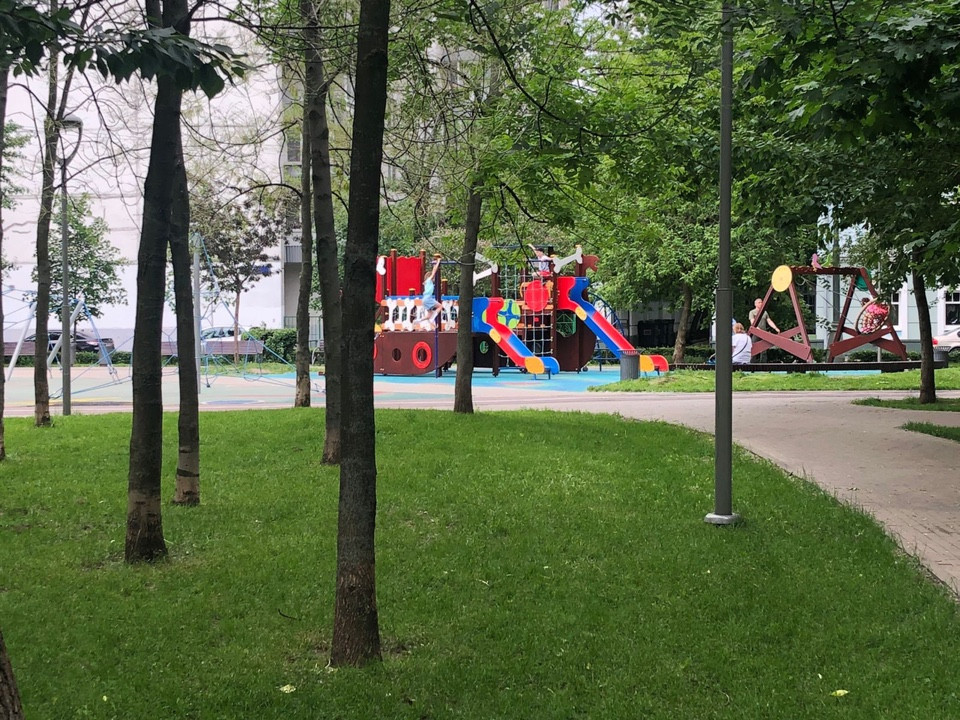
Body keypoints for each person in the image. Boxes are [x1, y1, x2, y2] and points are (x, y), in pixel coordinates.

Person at [419, 258, 443, 329]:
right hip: (428, 298)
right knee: (440, 306)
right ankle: (432, 319)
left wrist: (434, 265)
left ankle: (417, 321)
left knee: (429, 315)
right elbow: (434, 272)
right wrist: (438, 262)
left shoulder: (426, 282)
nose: (434, 279)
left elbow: (433, 270)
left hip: (424, 300)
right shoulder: (429, 280)